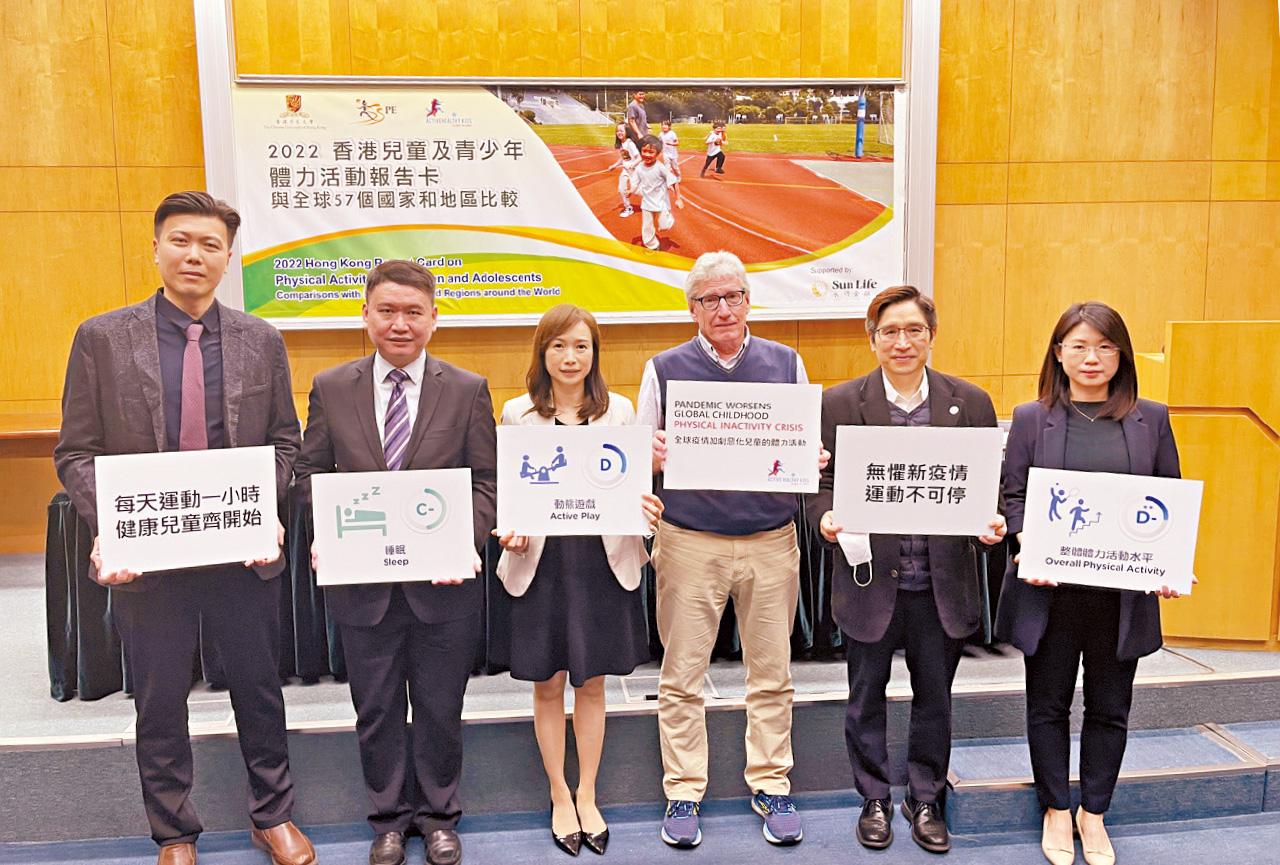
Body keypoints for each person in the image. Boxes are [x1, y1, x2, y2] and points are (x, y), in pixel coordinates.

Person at [54, 191, 314, 865]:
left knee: (260, 690)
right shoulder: (102, 338)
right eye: (180, 240)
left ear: (228, 258)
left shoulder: (262, 340)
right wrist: (111, 524)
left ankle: (273, 813)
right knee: (160, 698)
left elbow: (286, 441)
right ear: (156, 248)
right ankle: (173, 831)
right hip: (149, 553)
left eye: (209, 244)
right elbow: (76, 452)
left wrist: (264, 508)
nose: (194, 255)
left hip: (240, 551)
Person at [295, 260, 497, 865]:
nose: (400, 324)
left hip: (443, 586)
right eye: (387, 311)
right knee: (376, 709)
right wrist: (328, 528)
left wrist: (464, 540)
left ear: (434, 319)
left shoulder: (467, 389)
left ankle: (438, 818)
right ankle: (387, 821)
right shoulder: (332, 386)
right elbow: (308, 475)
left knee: (440, 709)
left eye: (413, 312)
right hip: (364, 585)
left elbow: (487, 483)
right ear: (366, 315)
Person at [807, 285, 1005, 855]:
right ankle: (873, 797)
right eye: (890, 331)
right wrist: (825, 518)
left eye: (914, 330)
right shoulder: (840, 403)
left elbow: (985, 487)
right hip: (870, 581)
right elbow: (819, 483)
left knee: (934, 699)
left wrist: (990, 523)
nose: (902, 342)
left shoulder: (970, 403)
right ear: (873, 340)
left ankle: (926, 799)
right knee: (865, 697)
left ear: (931, 336)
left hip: (941, 584)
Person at [640, 251, 828, 849]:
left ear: (749, 301)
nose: (723, 308)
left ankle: (771, 783)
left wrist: (810, 457)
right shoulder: (663, 368)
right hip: (689, 541)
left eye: (733, 296)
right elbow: (637, 459)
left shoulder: (786, 362)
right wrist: (650, 455)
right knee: (681, 676)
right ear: (692, 308)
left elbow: (804, 445)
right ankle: (683, 790)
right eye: (709, 299)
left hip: (771, 541)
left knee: (772, 674)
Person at [996, 302, 1184, 865]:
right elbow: (1012, 496)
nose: (1091, 358)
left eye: (1104, 346)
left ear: (1121, 355)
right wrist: (1027, 542)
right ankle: (1056, 807)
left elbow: (1170, 500)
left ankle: (1094, 812)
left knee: (1110, 708)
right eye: (1078, 346)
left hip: (1120, 598)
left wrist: (1170, 563)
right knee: (1047, 705)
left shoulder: (1152, 418)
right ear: (1058, 354)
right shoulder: (1032, 419)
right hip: (1050, 593)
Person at [493, 304, 664, 857]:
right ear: (543, 352)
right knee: (547, 683)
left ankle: (588, 793)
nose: (571, 357)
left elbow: (634, 491)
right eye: (559, 346)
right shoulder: (517, 413)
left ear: (595, 353)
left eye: (582, 346)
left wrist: (647, 510)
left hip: (600, 563)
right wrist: (510, 530)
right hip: (542, 564)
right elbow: (508, 494)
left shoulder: (621, 412)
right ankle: (558, 794)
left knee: (592, 684)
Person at [632, 135, 684, 251]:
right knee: (647, 226)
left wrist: (678, 199)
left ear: (657, 154)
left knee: (664, 226)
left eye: (651, 152)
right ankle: (652, 245)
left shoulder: (660, 167)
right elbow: (634, 182)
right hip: (646, 202)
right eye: (644, 151)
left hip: (661, 202)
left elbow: (674, 181)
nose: (647, 154)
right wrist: (630, 191)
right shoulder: (639, 167)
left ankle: (668, 219)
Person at [608, 123, 641, 217]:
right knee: (621, 189)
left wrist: (632, 165)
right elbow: (623, 158)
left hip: (634, 171)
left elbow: (639, 157)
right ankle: (628, 208)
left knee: (636, 191)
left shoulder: (630, 144)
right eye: (617, 131)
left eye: (621, 131)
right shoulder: (621, 144)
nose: (619, 133)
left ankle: (654, 200)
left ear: (627, 132)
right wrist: (614, 165)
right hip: (625, 171)